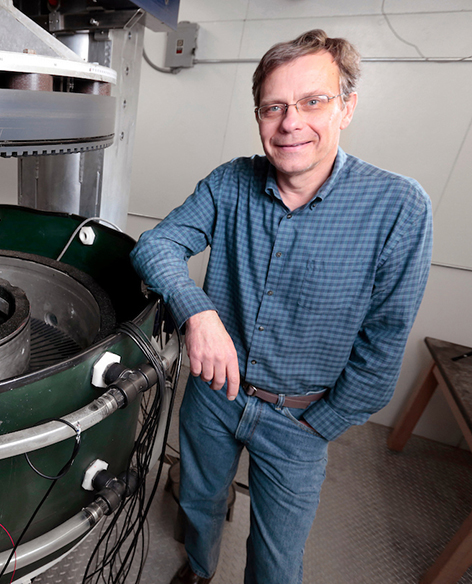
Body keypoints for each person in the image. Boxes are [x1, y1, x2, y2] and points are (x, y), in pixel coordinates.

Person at [130, 29, 432, 584]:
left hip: (301, 418)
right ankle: (199, 569)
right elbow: (157, 244)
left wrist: (322, 424)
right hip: (214, 396)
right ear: (259, 117)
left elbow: (384, 339)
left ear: (347, 107)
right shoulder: (231, 183)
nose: (291, 123)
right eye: (274, 107)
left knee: (276, 560)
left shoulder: (398, 206)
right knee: (198, 502)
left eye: (313, 101)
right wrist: (198, 312)